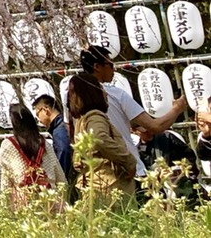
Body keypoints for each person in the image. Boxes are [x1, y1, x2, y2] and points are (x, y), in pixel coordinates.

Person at [80, 44, 187, 184]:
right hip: (128, 170)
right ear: (97, 67)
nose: (114, 68)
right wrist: (177, 109)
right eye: (110, 64)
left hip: (96, 175)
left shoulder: (75, 99)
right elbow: (155, 126)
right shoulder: (115, 94)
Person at [67, 73, 136, 206]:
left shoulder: (81, 120)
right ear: (93, 93)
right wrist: (128, 160)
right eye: (101, 88)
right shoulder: (95, 116)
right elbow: (99, 137)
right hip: (110, 187)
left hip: (94, 185)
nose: (105, 93)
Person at [0, 103, 66, 209]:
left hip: (24, 203)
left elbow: (6, 182)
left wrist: (4, 207)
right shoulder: (44, 143)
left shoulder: (8, 145)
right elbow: (60, 176)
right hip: (50, 200)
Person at [33, 93, 73, 194]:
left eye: (38, 114)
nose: (39, 120)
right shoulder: (63, 125)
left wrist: (60, 179)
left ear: (45, 110)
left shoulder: (59, 130)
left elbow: (64, 152)